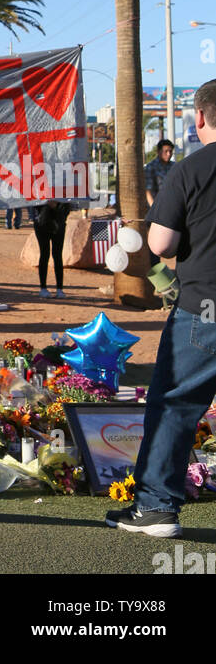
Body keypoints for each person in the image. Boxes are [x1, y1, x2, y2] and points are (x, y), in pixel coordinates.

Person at [107, 81, 216, 538]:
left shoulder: (190, 169)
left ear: (200, 118)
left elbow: (160, 243)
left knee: (175, 406)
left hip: (203, 310)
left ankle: (155, 508)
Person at [32, 197, 69, 298]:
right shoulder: (39, 187)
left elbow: (67, 207)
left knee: (57, 255)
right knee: (44, 254)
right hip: (42, 224)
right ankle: (43, 288)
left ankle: (59, 289)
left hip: (58, 224)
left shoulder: (63, 187)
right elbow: (33, 204)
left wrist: (56, 205)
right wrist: (46, 204)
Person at [145, 138, 174, 212]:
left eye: (170, 151)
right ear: (158, 151)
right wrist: (154, 210)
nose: (169, 154)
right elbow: (148, 191)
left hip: (172, 206)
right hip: (157, 208)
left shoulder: (175, 166)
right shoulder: (151, 167)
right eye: (166, 151)